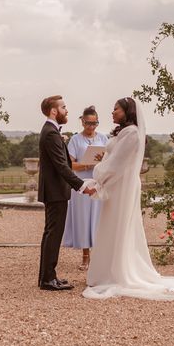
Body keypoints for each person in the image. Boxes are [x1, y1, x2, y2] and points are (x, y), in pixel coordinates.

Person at [82, 97, 174, 300]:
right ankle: (106, 270)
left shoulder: (132, 133)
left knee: (119, 225)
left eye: (116, 109)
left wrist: (97, 175)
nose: (112, 112)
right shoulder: (124, 132)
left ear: (127, 112)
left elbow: (117, 164)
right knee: (111, 225)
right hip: (116, 186)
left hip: (122, 187)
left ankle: (117, 271)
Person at [38, 95, 95, 291]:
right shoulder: (51, 134)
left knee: (51, 234)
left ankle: (48, 276)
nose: (67, 110)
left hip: (55, 191)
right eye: (63, 107)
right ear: (54, 111)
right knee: (53, 234)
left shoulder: (51, 131)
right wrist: (82, 186)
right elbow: (62, 167)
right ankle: (47, 280)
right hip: (55, 192)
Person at [62, 106, 108, 270]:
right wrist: (86, 164)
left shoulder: (104, 138)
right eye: (88, 123)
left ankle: (101, 256)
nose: (91, 127)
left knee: (99, 218)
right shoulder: (75, 140)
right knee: (84, 219)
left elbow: (110, 160)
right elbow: (70, 164)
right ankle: (85, 256)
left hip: (99, 182)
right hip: (81, 184)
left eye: (94, 123)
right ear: (82, 121)